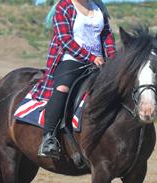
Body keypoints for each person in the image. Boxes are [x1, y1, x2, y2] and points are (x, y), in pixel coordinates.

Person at [37, 0, 116, 159]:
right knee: (63, 88)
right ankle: (48, 138)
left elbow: (106, 35)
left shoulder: (98, 7)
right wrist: (90, 57)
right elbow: (65, 39)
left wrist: (113, 60)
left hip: (99, 62)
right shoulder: (64, 7)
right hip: (71, 59)